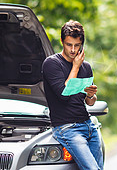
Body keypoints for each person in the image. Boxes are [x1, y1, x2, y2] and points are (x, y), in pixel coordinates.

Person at [42, 20, 103, 170]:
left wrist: (90, 95)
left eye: (77, 45)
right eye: (69, 44)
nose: (73, 50)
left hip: (88, 125)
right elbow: (64, 94)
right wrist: (75, 66)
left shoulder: (86, 67)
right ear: (62, 41)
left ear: (82, 44)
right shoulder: (51, 64)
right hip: (67, 128)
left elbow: (89, 102)